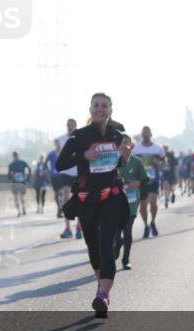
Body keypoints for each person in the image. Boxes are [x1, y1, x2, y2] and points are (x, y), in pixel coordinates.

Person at [56, 93, 128, 319]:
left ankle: (104, 295)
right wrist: (84, 155)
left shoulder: (117, 134)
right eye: (96, 105)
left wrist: (124, 157)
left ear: (111, 110)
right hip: (88, 198)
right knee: (93, 247)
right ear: (90, 109)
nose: (100, 109)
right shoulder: (79, 136)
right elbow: (60, 164)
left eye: (104, 106)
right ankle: (101, 286)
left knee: (106, 243)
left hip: (112, 196)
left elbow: (118, 163)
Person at [116, 135, 149, 270]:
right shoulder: (113, 162)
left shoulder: (137, 162)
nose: (123, 145)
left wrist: (138, 182)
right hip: (116, 202)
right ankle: (117, 245)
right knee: (116, 233)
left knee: (127, 231)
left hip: (132, 202)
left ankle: (126, 259)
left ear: (131, 146)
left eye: (126, 143)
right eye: (120, 143)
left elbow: (145, 179)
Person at [132, 126, 165, 238]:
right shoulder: (136, 148)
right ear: (142, 135)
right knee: (143, 205)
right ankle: (146, 225)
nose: (145, 135)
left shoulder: (158, 148)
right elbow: (131, 162)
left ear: (151, 134)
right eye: (144, 133)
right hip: (141, 180)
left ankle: (153, 222)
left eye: (147, 133)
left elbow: (164, 161)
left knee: (153, 203)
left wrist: (159, 163)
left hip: (154, 179)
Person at [57, 119, 82, 239]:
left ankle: (79, 226)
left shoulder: (80, 137)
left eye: (72, 126)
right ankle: (67, 228)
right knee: (65, 199)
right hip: (66, 172)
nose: (70, 128)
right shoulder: (62, 139)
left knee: (80, 199)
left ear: (76, 126)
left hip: (78, 172)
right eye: (68, 126)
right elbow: (60, 156)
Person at [7, 151, 31, 216]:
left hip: (22, 182)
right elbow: (9, 174)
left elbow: (29, 168)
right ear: (13, 156)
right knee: (15, 198)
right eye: (14, 156)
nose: (15, 157)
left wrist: (28, 178)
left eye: (16, 156)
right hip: (15, 183)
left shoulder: (22, 163)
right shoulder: (11, 165)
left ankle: (23, 208)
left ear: (18, 156)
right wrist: (11, 177)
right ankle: (19, 211)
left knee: (22, 197)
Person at [46, 139, 65, 218]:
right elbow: (45, 162)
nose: (57, 145)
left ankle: (61, 208)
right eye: (56, 143)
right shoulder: (51, 154)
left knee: (61, 192)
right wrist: (48, 170)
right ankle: (59, 208)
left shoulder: (64, 152)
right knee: (57, 193)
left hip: (62, 175)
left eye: (58, 143)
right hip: (54, 176)